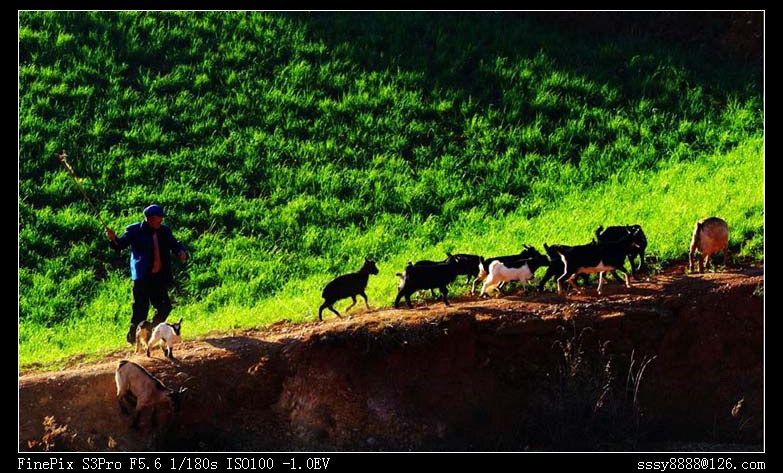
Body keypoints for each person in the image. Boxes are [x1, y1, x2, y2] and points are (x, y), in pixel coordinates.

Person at [106, 204, 187, 344]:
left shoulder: (164, 231)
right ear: (150, 218)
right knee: (140, 309)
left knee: (164, 307)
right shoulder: (134, 231)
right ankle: (133, 339)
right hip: (143, 277)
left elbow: (175, 243)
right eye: (158, 218)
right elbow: (119, 245)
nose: (161, 220)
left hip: (159, 277)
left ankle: (150, 330)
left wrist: (180, 251)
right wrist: (113, 239)